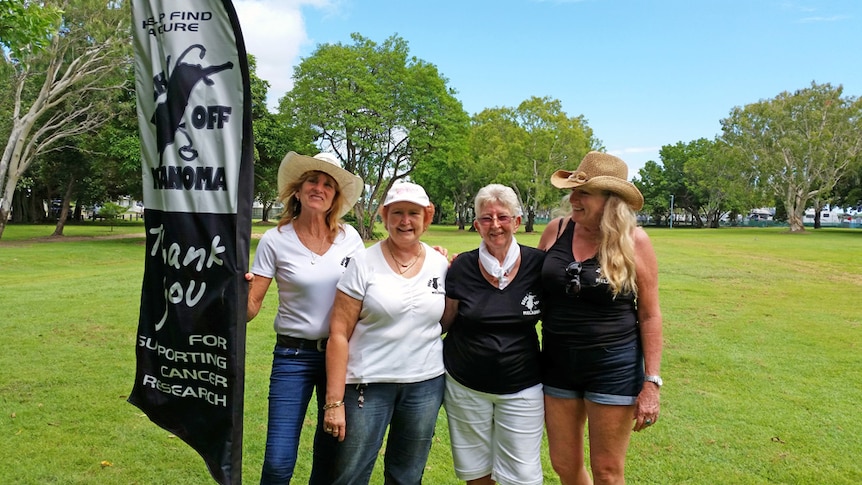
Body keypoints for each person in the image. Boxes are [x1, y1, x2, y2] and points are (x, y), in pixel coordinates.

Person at [537, 151, 663, 485]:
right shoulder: (556, 230)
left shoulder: (634, 242)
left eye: (584, 193)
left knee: (608, 472)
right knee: (564, 464)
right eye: (573, 191)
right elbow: (526, 282)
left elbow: (650, 315)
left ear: (611, 201)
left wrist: (651, 382)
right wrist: (464, 263)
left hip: (613, 367)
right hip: (557, 364)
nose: (573, 199)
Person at [247, 151, 365, 484]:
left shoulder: (350, 239)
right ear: (298, 191)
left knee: (330, 456)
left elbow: (372, 288)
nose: (320, 187)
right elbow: (251, 307)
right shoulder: (275, 240)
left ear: (335, 197)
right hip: (292, 357)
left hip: (341, 358)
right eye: (313, 180)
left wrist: (433, 256)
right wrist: (230, 291)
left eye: (328, 184)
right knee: (278, 461)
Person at [323, 181, 449, 485]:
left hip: (424, 385)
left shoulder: (440, 263)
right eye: (398, 213)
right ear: (385, 216)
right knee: (350, 474)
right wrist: (334, 401)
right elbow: (339, 333)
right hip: (368, 385)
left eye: (413, 213)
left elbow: (444, 321)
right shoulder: (363, 263)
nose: (405, 221)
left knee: (407, 475)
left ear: (426, 218)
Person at [441, 184, 546, 485]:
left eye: (503, 217)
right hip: (465, 386)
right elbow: (445, 321)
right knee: (476, 472)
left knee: (523, 476)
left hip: (522, 386)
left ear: (516, 221)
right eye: (486, 218)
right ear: (476, 225)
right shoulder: (460, 266)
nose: (495, 225)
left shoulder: (538, 265)